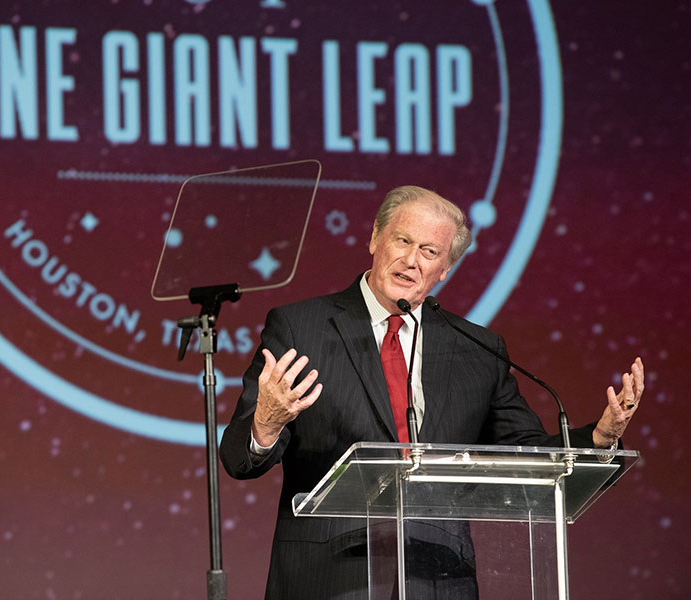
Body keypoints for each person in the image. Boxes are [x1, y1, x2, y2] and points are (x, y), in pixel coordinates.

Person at [219, 186, 644, 599]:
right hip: (329, 576)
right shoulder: (301, 327)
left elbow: (527, 457)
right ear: (374, 238)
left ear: (445, 269)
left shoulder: (478, 349)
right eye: (402, 240)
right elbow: (239, 460)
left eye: (429, 252)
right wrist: (266, 421)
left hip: (439, 577)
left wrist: (600, 441)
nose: (410, 261)